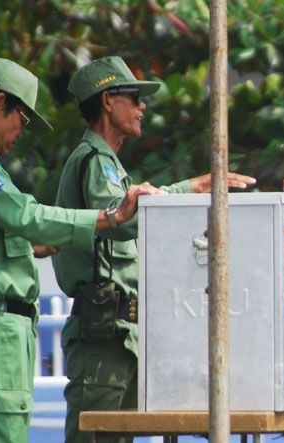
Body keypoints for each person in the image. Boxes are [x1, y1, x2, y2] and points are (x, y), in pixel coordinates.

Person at [0, 57, 159, 443]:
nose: (20, 133)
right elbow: (26, 215)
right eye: (22, 120)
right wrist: (109, 217)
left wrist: (33, 244)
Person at [52, 55, 256, 443]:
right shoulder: (95, 161)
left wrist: (190, 188)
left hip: (122, 334)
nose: (142, 106)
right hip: (103, 335)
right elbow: (123, 219)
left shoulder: (109, 165)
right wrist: (189, 188)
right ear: (108, 101)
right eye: (134, 97)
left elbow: (133, 211)